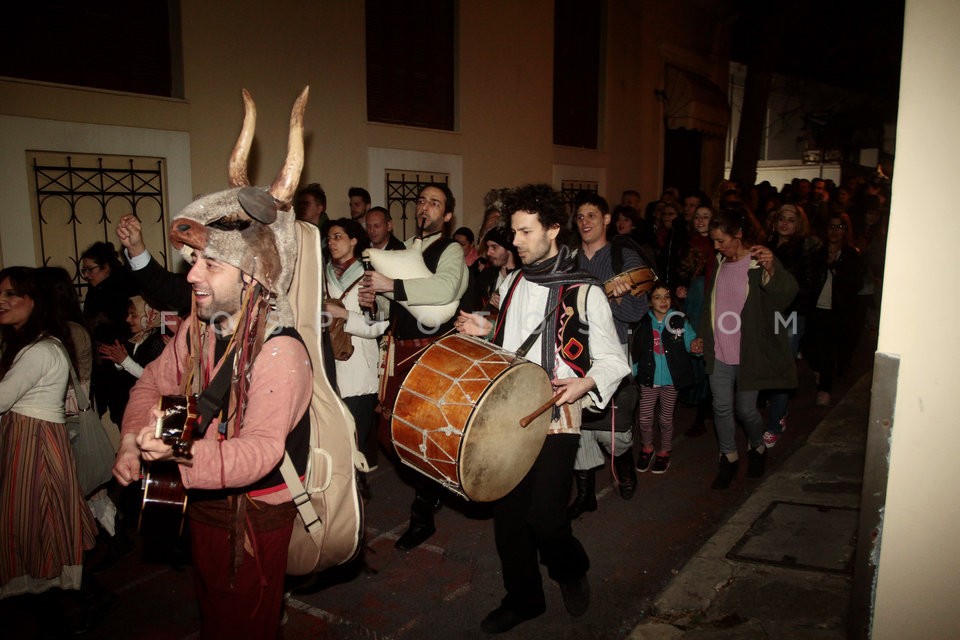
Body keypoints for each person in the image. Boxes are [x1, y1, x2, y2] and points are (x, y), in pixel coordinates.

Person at [112, 92, 314, 639]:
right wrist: (133, 438)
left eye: (210, 263)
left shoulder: (281, 350)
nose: (193, 275)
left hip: (253, 511)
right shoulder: (202, 326)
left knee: (242, 620)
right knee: (214, 608)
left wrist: (176, 458)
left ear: (252, 275)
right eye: (194, 260)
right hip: (205, 497)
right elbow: (156, 381)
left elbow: (261, 450)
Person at [454, 183, 629, 633]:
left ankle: (570, 569)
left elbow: (614, 360)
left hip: (557, 410)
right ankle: (524, 599)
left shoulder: (585, 291)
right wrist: (485, 327)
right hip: (508, 411)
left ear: (553, 229)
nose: (515, 241)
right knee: (508, 517)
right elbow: (511, 342)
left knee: (546, 515)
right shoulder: (512, 282)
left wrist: (585, 382)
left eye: (525, 232)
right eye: (513, 231)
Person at [359, 182, 469, 551]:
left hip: (431, 349)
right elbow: (394, 306)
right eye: (422, 201)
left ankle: (423, 513)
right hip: (401, 348)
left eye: (435, 203)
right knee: (392, 432)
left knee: (422, 432)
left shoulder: (450, 248)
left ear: (447, 214)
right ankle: (432, 490)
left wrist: (394, 285)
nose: (425, 208)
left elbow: (446, 289)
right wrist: (374, 299)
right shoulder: (405, 249)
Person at [0, 267, 100, 633]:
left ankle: (67, 611)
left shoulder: (41, 349)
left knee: (40, 527)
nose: (2, 302)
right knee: (44, 527)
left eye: (12, 294)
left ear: (35, 300)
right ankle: (76, 603)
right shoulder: (35, 344)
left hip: (35, 444)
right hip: (31, 440)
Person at [699, 205, 798, 490]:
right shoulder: (719, 262)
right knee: (720, 407)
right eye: (714, 241)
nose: (717, 246)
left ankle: (757, 446)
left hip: (748, 351)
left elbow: (786, 296)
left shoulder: (758, 261)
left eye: (721, 240)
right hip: (719, 348)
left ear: (739, 234)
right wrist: (703, 335)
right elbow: (710, 303)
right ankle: (728, 457)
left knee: (746, 410)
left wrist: (772, 268)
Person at [567, 191, 647, 517]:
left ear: (607, 219)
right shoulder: (569, 259)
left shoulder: (624, 259)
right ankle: (585, 492)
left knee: (615, 427)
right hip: (575, 354)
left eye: (592, 216)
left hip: (614, 351)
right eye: (580, 216)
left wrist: (612, 298)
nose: (585, 222)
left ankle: (624, 463)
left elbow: (636, 311)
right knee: (576, 423)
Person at [322, 218, 389, 481]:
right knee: (332, 445)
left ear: (353, 240)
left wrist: (343, 314)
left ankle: (354, 506)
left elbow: (377, 325)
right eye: (329, 238)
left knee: (355, 445)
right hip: (328, 369)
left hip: (358, 372)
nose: (332, 242)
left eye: (338, 236)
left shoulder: (370, 277)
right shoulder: (321, 275)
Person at [761, 204, 822, 448]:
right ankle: (780, 407)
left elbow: (809, 286)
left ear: (799, 224)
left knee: (782, 368)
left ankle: (775, 423)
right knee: (767, 364)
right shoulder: (767, 246)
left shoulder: (807, 249)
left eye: (791, 219)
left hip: (791, 315)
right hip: (767, 314)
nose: (785, 223)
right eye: (781, 218)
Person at [632, 284, 703, 474]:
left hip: (671, 380)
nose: (663, 301)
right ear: (649, 302)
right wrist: (632, 371)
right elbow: (636, 350)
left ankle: (665, 451)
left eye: (666, 296)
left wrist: (696, 346)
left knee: (666, 418)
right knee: (645, 418)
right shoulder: (642, 322)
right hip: (648, 378)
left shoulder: (679, 321)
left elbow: (691, 341)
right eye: (657, 297)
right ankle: (647, 448)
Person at [807, 213, 863, 407]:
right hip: (817, 307)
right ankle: (820, 372)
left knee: (829, 350)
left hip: (838, 310)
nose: (834, 231)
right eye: (831, 226)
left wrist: (837, 269)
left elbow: (855, 284)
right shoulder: (818, 252)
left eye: (839, 227)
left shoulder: (851, 255)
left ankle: (825, 389)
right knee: (812, 347)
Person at [79, 241, 139, 423]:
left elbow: (130, 325)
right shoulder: (94, 292)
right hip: (106, 365)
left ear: (107, 268)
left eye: (91, 269)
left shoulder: (124, 287)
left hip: (127, 360)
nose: (87, 275)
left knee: (131, 415)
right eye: (84, 271)